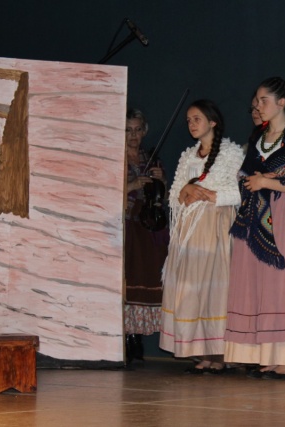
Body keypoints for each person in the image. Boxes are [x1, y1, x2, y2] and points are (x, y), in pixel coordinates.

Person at [224, 76, 285, 379]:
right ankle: (266, 354)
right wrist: (253, 181)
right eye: (256, 101)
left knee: (284, 283)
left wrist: (266, 181)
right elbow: (245, 174)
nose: (258, 105)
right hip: (255, 215)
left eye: (263, 100)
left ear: (282, 102)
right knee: (257, 283)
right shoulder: (258, 136)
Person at [159, 99, 244, 374]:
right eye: (189, 120)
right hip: (189, 229)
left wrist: (207, 194)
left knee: (214, 288)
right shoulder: (189, 155)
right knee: (192, 288)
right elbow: (175, 195)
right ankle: (201, 351)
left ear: (212, 122)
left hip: (215, 224)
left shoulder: (230, 153)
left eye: (197, 119)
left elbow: (239, 192)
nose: (192, 124)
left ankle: (219, 353)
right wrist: (186, 190)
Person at [124, 108, 169, 365]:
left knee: (144, 276)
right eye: (128, 130)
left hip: (147, 224)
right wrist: (131, 185)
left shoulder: (151, 158)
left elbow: (163, 197)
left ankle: (136, 335)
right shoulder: (115, 157)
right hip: (125, 224)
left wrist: (162, 180)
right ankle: (126, 337)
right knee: (126, 278)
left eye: (138, 129)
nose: (133, 135)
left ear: (145, 131)